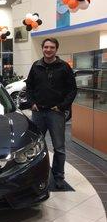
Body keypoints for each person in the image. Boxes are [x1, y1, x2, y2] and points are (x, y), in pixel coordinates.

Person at [26, 37, 77, 189]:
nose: (48, 50)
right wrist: (32, 103)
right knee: (34, 147)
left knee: (59, 148)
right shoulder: (36, 66)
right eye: (46, 47)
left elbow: (72, 90)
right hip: (38, 113)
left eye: (52, 47)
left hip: (56, 113)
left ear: (56, 49)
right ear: (42, 48)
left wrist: (62, 107)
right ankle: (33, 176)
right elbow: (29, 87)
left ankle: (58, 176)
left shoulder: (64, 67)